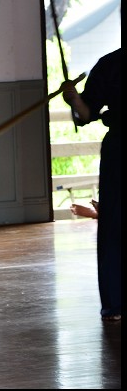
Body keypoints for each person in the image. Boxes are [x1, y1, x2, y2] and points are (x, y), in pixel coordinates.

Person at [62, 47, 121, 323]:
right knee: (114, 225)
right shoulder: (110, 64)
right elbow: (86, 114)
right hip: (120, 148)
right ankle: (114, 303)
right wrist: (74, 99)